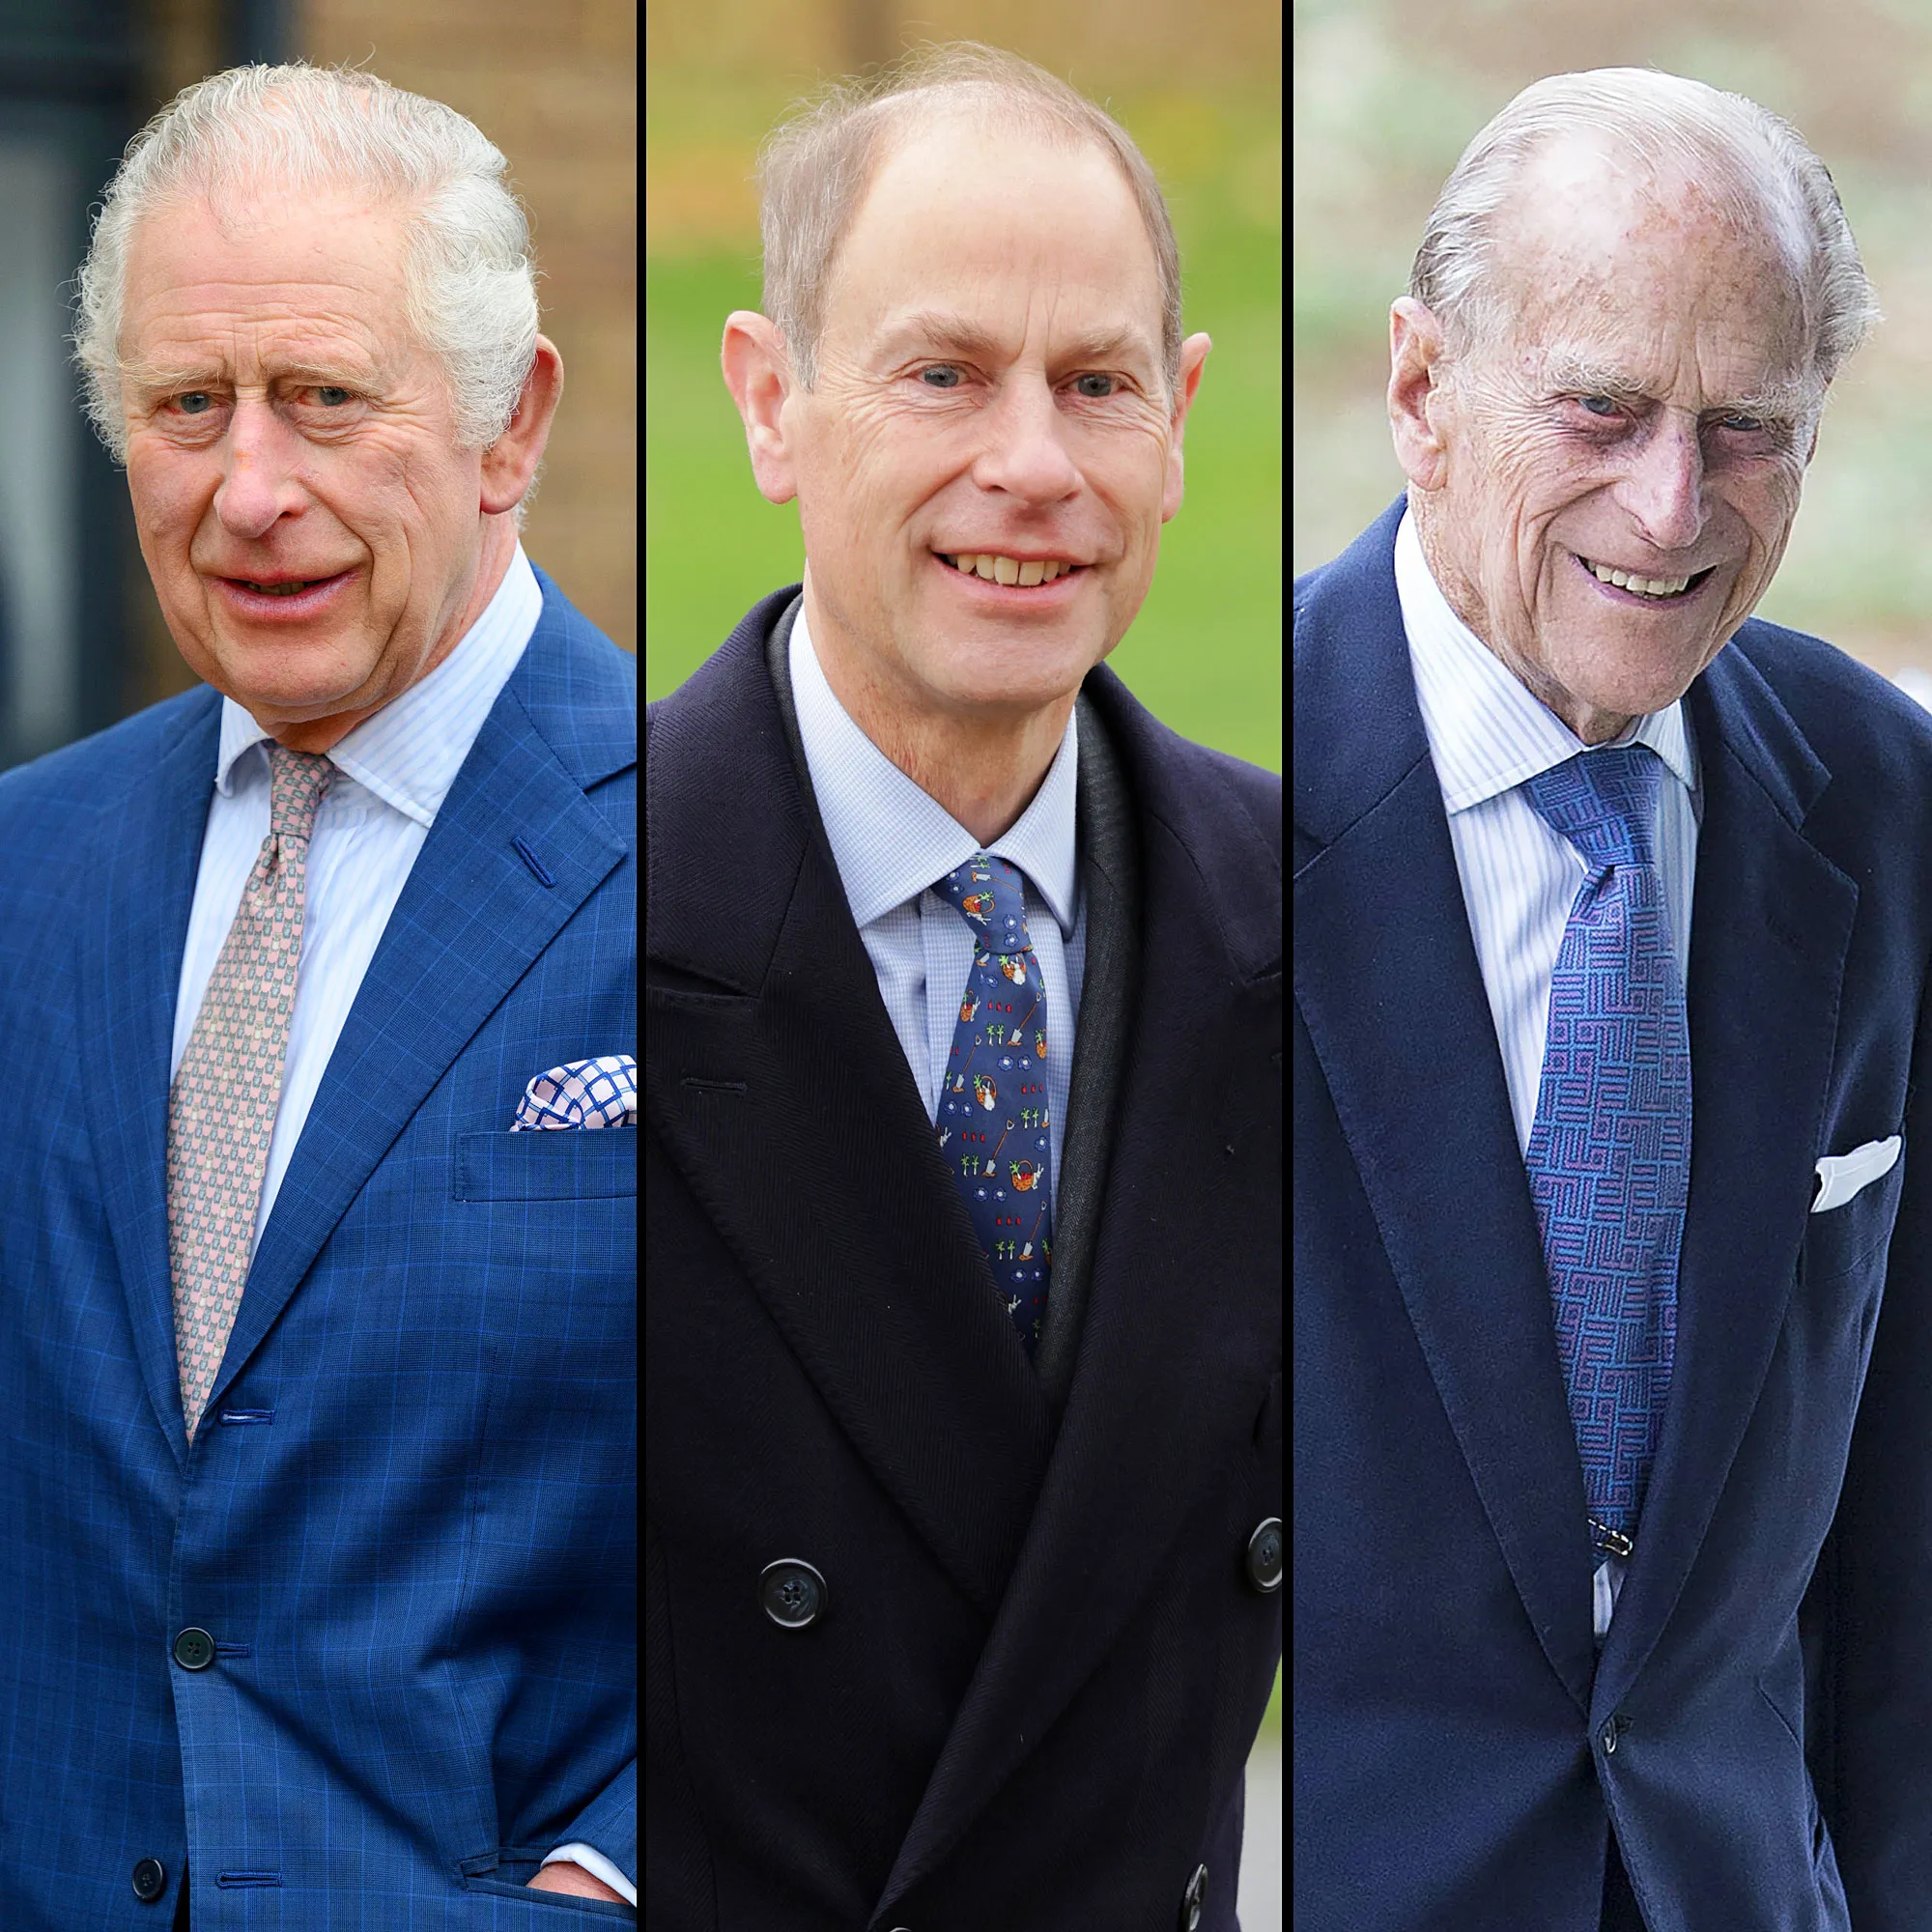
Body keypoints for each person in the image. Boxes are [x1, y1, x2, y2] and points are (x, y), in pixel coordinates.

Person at [644, 42, 1281, 1931]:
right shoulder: (550, 925)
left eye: (1093, 384)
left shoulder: (1307, 923)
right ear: (773, 405)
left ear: (1175, 417)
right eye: (939, 374)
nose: (1031, 464)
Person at [1294, 66, 1932, 1931]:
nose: (1671, 507)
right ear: (1420, 390)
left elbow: (1899, 1534)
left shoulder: (1878, 798)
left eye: (1748, 428)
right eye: (1600, 409)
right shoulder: (1205, 795)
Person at [0, 65, 635, 1927]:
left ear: (508, 423)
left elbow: (867, 1511)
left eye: (326, 401)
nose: (250, 490)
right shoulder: (29, 868)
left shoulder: (740, 864)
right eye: (188, 406)